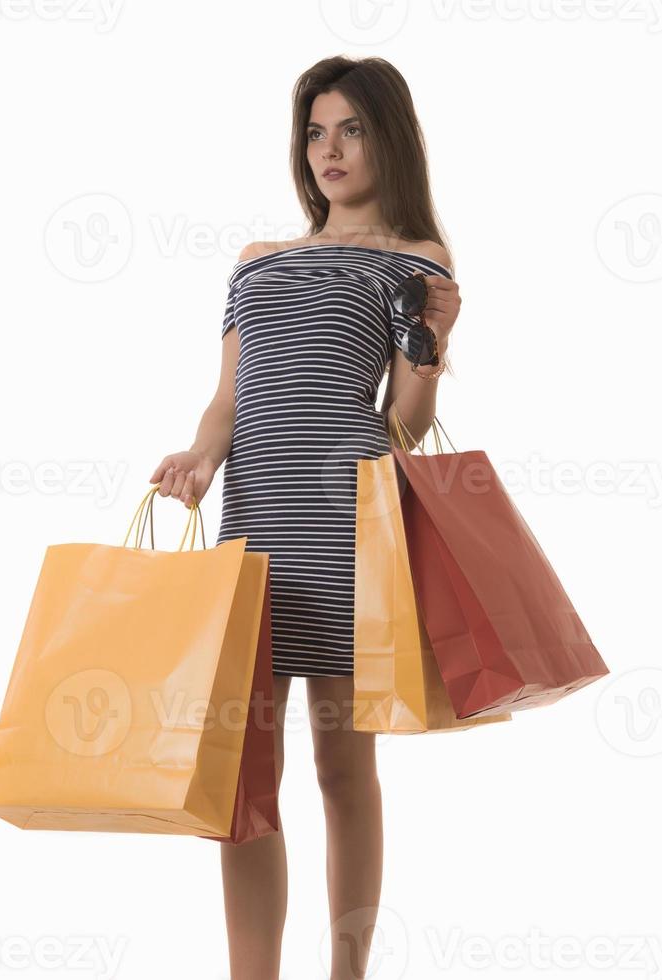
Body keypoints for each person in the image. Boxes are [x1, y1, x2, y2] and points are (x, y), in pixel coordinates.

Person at [150, 55, 462, 980]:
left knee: (339, 771)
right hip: (251, 526)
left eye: (352, 130)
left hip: (344, 528)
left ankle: (346, 974)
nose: (329, 149)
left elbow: (404, 424)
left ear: (388, 138)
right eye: (316, 131)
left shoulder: (417, 262)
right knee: (241, 783)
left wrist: (432, 346)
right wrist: (200, 457)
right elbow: (226, 398)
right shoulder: (258, 262)